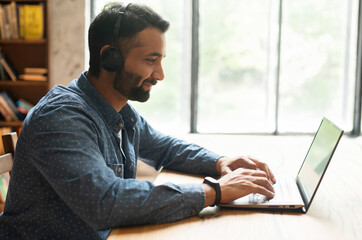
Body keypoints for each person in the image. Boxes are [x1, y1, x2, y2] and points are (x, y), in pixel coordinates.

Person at [0, 2, 276, 239]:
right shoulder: (61, 116)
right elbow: (105, 202)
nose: (160, 74)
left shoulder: (116, 109)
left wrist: (219, 162)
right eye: (150, 60)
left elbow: (165, 147)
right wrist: (214, 192)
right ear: (109, 58)